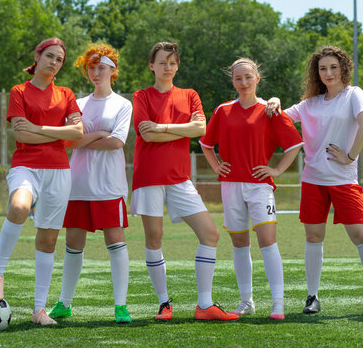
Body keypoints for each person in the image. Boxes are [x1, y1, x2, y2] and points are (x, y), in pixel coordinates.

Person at [267, 46, 363, 315]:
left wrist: (350, 156)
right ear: (316, 72)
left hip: (344, 180)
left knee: (360, 235)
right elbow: (276, 119)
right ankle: (312, 297)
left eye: (333, 67)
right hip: (313, 180)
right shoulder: (309, 104)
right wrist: (274, 99)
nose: (328, 73)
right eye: (323, 68)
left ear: (343, 68)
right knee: (313, 236)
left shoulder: (353, 95)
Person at [131, 41, 238, 321]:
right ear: (151, 65)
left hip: (180, 178)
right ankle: (164, 304)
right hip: (149, 177)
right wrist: (180, 130)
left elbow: (200, 128)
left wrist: (162, 127)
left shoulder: (190, 95)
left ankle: (204, 305)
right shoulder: (141, 96)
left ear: (178, 66)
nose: (168, 67)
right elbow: (148, 135)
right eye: (163, 62)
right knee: (154, 238)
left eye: (173, 62)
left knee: (210, 234)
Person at [0, 37, 83, 326]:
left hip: (58, 171)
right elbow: (21, 136)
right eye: (50, 56)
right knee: (18, 207)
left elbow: (77, 133)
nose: (54, 62)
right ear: (37, 57)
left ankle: (39, 310)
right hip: (25, 166)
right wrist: (58, 132)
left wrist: (39, 128)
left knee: (48, 240)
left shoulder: (66, 93)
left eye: (60, 60)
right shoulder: (19, 91)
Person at [200, 58, 303, 320]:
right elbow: (206, 144)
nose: (243, 82)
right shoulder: (222, 110)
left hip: (259, 187)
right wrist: (216, 166)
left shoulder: (270, 110)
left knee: (267, 242)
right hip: (231, 186)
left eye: (248, 77)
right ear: (232, 81)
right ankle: (246, 301)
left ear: (258, 78)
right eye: (238, 78)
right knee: (239, 243)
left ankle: (278, 304)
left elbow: (293, 145)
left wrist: (277, 170)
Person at [46, 44, 133, 323]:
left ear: (113, 70)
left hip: (109, 186)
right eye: (91, 68)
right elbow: (68, 141)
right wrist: (99, 135)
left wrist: (88, 137)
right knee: (73, 243)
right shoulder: (78, 104)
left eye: (101, 67)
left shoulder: (123, 104)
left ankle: (121, 306)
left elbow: (117, 142)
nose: (96, 73)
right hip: (77, 184)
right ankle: (65, 303)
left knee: (115, 242)